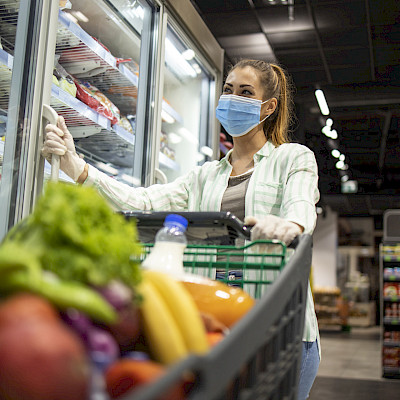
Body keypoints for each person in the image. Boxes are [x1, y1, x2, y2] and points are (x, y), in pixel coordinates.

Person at [42, 59, 320, 399]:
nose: (232, 98)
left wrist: (290, 224)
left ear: (269, 106)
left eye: (245, 92)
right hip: (222, 325)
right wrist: (75, 165)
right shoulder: (204, 176)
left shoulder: (293, 158)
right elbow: (143, 202)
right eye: (228, 90)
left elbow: (301, 203)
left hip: (280, 327)